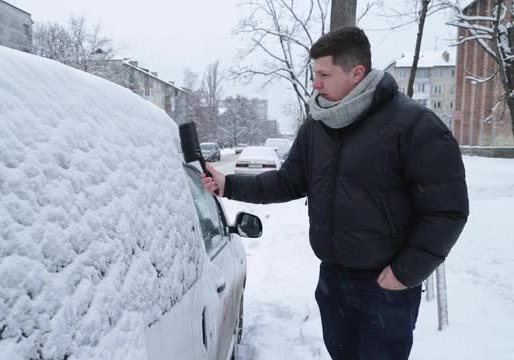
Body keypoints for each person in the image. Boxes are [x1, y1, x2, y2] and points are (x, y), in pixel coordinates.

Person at [201, 26, 469, 360]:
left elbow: (447, 210)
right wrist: (229, 185)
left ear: (357, 73)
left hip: (386, 288)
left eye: (324, 74)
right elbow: (288, 180)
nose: (315, 83)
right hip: (333, 280)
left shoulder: (415, 126)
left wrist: (406, 273)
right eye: (314, 73)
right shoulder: (318, 126)